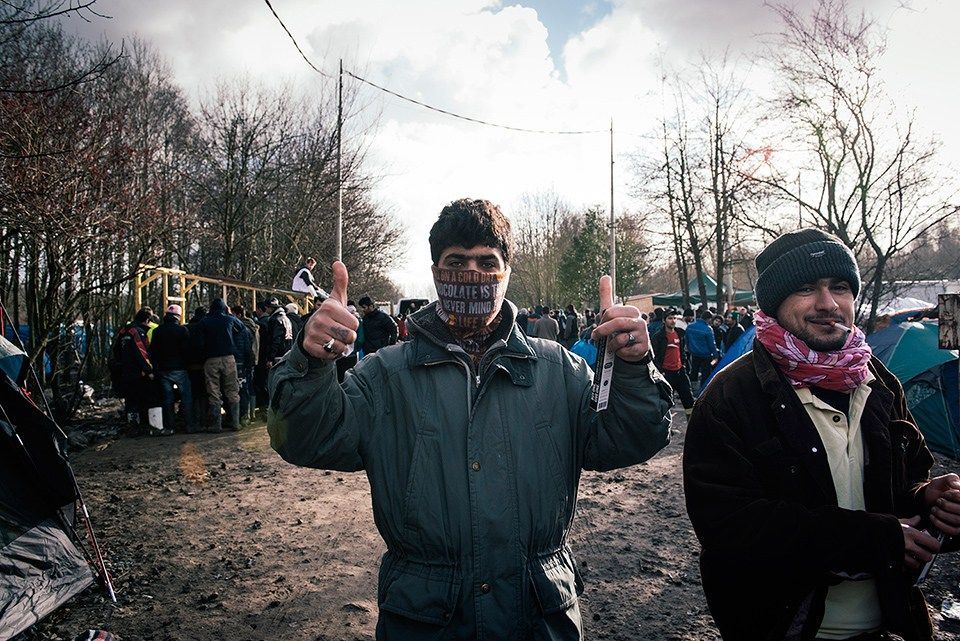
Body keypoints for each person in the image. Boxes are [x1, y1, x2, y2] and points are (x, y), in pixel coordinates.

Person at [268, 197, 672, 640]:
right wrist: (309, 362)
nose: (473, 273)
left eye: (487, 261)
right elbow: (308, 439)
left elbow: (627, 439)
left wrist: (634, 366)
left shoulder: (560, 370)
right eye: (457, 261)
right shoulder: (386, 375)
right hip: (425, 617)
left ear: (507, 273)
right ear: (437, 271)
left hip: (539, 614)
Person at [683, 229, 960, 641]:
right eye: (806, 288)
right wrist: (873, 540)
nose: (828, 303)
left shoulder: (879, 383)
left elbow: (903, 487)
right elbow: (730, 528)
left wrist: (930, 501)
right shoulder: (730, 397)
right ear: (775, 304)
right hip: (785, 628)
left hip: (891, 625)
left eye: (840, 287)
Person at [197, 298, 245, 432]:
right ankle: (235, 422)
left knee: (213, 391)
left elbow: (199, 343)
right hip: (229, 358)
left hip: (211, 359)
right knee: (232, 390)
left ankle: (216, 425)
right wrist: (229, 314)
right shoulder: (229, 319)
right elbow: (241, 327)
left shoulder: (204, 322)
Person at [148, 304, 196, 433]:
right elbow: (187, 351)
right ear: (178, 317)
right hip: (180, 368)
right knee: (186, 398)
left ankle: (170, 427)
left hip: (163, 370)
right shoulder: (182, 331)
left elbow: (152, 351)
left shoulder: (157, 331)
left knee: (167, 400)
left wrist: (156, 367)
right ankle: (189, 425)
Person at [116, 308, 161, 433]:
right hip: (138, 373)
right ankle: (154, 427)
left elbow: (116, 351)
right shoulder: (137, 332)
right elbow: (142, 353)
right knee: (149, 399)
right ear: (147, 320)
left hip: (126, 371)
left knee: (131, 401)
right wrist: (149, 371)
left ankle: (133, 427)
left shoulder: (124, 330)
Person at [651, 309, 695, 416]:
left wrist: (683, 365)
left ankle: (692, 426)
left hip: (680, 372)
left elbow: (682, 351)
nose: (673, 321)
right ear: (664, 320)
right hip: (666, 374)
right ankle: (667, 428)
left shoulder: (680, 333)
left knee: (689, 400)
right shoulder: (658, 336)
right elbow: (653, 356)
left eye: (674, 318)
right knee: (665, 402)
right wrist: (660, 371)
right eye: (670, 318)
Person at [233, 304, 261, 423]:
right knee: (250, 386)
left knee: (244, 387)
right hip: (253, 359)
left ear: (239, 314)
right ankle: (251, 414)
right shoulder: (253, 326)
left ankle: (245, 415)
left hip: (244, 361)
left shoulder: (241, 328)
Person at [685, 310, 720, 390]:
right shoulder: (708, 329)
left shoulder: (690, 326)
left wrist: (690, 350)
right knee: (705, 374)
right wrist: (715, 356)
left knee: (694, 372)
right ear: (708, 319)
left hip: (694, 354)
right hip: (706, 355)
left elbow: (686, 340)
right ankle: (703, 391)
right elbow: (712, 344)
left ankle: (692, 389)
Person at [263, 297, 294, 367]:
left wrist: (270, 357)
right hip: (287, 353)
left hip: (278, 355)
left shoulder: (275, 320)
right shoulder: (286, 318)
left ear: (269, 308)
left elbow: (276, 339)